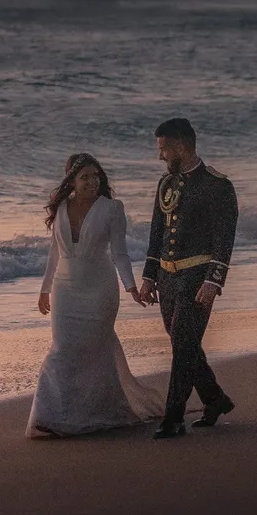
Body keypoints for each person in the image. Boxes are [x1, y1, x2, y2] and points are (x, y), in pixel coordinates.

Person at [27, 153, 162, 438]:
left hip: (100, 289)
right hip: (65, 290)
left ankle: (99, 411)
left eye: (96, 176)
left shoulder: (112, 209)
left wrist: (131, 287)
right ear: (72, 181)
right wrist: (44, 288)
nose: (92, 181)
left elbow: (120, 253)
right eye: (85, 176)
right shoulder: (61, 207)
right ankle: (49, 416)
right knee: (62, 349)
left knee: (95, 351)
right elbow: (55, 252)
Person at [136, 117, 239, 439]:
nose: (161, 156)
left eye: (164, 149)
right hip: (167, 278)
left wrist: (214, 281)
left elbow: (225, 239)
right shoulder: (165, 184)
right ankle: (215, 399)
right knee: (186, 345)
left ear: (181, 145)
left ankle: (173, 419)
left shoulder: (217, 185)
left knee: (182, 344)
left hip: (197, 278)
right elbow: (157, 233)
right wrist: (149, 277)